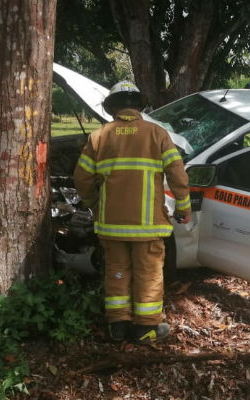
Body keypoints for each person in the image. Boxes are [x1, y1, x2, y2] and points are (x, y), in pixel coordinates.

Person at [73, 81, 191, 344]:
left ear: (112, 108)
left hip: (111, 226)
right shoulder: (158, 134)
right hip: (148, 227)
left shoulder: (99, 136)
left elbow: (81, 179)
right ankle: (146, 328)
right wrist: (183, 207)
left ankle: (118, 326)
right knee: (148, 274)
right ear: (139, 105)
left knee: (116, 272)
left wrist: (95, 203)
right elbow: (177, 175)